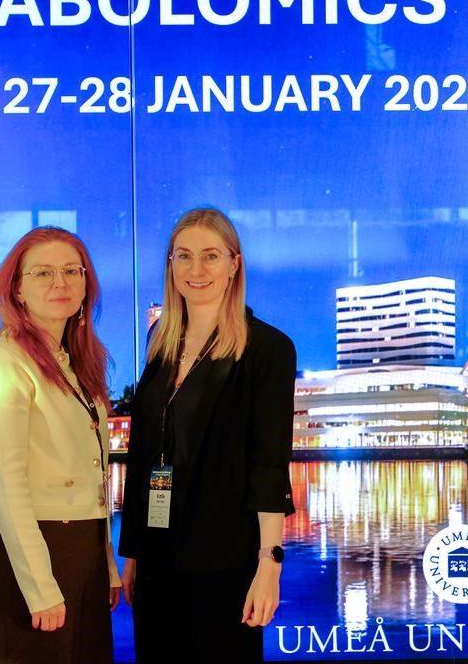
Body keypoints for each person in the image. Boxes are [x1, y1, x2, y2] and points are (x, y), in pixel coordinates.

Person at [118, 207, 296, 662]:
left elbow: (269, 463)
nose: (196, 270)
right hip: (157, 560)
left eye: (211, 256)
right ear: (170, 265)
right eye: (184, 256)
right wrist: (133, 554)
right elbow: (145, 452)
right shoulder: (161, 341)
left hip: (226, 561)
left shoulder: (267, 348)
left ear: (235, 264)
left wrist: (268, 564)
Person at [0, 226, 121, 663]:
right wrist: (40, 588)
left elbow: (93, 476)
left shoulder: (71, 363)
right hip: (33, 561)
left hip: (82, 556)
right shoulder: (4, 362)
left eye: (73, 270)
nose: (61, 282)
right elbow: (6, 486)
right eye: (43, 273)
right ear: (17, 289)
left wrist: (105, 567)